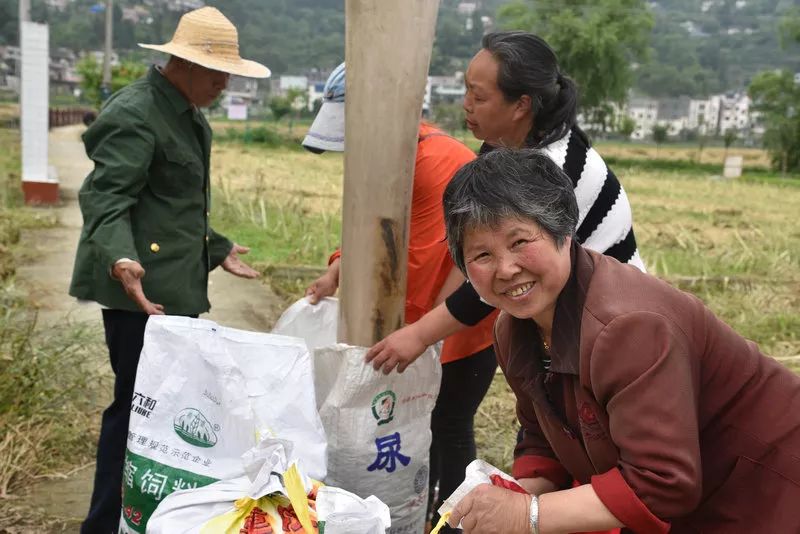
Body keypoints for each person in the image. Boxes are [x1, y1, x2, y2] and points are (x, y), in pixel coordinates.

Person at [439, 148, 800, 533]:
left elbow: (661, 484)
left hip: (767, 485)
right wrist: (515, 497)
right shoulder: (513, 329)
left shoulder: (628, 327)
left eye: (520, 242)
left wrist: (527, 515)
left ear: (563, 230)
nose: (507, 269)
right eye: (482, 254)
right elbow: (543, 434)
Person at [68, 7, 269, 532]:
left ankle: (152, 513)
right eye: (216, 72)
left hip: (174, 290)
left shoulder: (184, 112)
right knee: (135, 413)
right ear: (180, 62)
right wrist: (119, 257)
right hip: (137, 292)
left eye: (229, 73)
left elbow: (174, 203)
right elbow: (106, 197)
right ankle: (105, 522)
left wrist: (217, 247)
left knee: (164, 414)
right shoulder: (136, 113)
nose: (225, 83)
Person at [366, 31, 644, 374]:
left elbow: (505, 271)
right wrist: (432, 323)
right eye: (466, 89)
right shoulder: (505, 148)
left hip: (610, 318)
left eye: (478, 96)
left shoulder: (548, 168)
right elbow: (478, 253)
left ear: (521, 105)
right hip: (566, 314)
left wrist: (421, 335)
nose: (465, 104)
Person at [302, 62, 499, 532]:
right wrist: (337, 269)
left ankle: (451, 524)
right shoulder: (383, 162)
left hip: (455, 332)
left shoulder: (440, 165)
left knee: (446, 429)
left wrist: (427, 337)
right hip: (412, 336)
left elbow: (454, 264)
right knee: (403, 434)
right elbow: (368, 235)